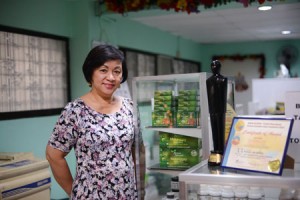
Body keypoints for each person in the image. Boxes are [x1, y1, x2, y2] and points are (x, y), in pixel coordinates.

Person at [46, 44, 145, 200]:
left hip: (128, 195)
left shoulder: (130, 107)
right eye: (103, 70)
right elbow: (54, 155)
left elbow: (138, 152)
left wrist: (141, 189)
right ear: (91, 73)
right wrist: (74, 192)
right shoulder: (75, 110)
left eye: (117, 71)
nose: (111, 77)